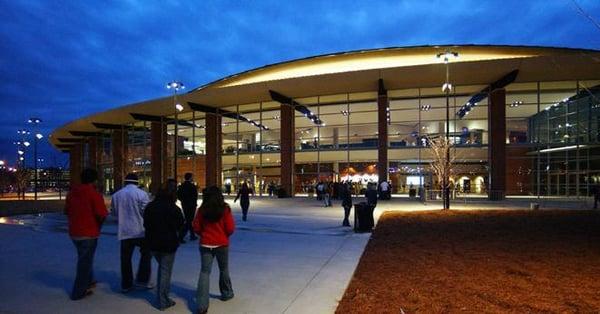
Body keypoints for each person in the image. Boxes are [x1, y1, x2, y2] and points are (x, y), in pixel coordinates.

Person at [65, 168, 108, 300]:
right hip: (89, 233)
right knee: (84, 262)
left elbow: (66, 211)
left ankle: (89, 281)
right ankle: (79, 292)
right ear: (94, 180)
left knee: (84, 258)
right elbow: (102, 214)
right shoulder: (94, 194)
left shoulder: (71, 193)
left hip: (74, 232)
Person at [193, 186, 235, 314]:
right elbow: (230, 228)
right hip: (222, 243)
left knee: (205, 272)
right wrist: (223, 235)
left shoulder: (202, 210)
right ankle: (226, 293)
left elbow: (196, 227)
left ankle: (202, 305)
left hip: (205, 243)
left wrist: (204, 234)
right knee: (224, 269)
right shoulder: (225, 209)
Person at [144, 183, 185, 310]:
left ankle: (163, 298)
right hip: (168, 243)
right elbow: (181, 225)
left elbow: (146, 224)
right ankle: (163, 300)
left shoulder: (150, 207)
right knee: (165, 271)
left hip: (153, 243)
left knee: (163, 269)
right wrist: (178, 238)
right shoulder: (174, 208)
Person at [111, 173, 153, 293]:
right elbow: (146, 212)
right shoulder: (142, 194)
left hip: (124, 231)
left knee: (125, 259)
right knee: (146, 254)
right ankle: (143, 279)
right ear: (137, 182)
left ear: (125, 182)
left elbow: (114, 214)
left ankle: (126, 284)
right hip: (140, 230)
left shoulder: (116, 195)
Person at [177, 173, 198, 243]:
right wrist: (193, 202)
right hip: (191, 205)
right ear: (190, 178)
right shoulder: (192, 186)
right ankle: (181, 236)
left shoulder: (182, 186)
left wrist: (183, 200)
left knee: (188, 219)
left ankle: (192, 235)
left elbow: (178, 195)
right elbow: (195, 196)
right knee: (189, 221)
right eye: (192, 177)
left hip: (185, 204)